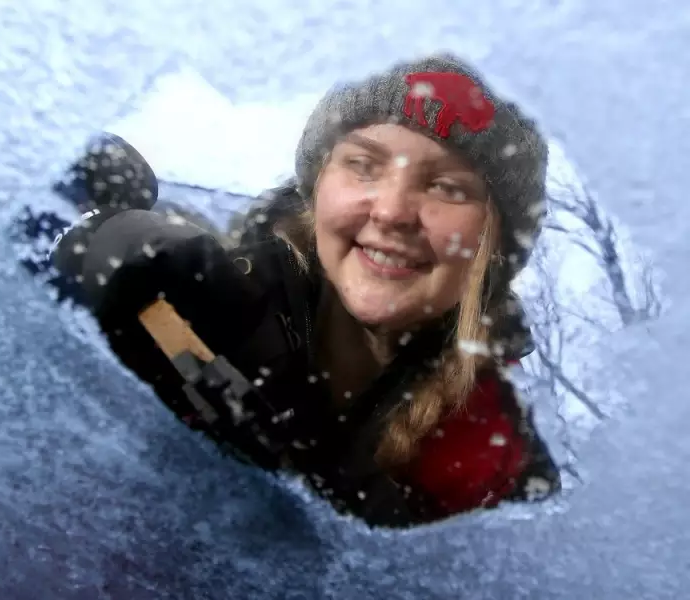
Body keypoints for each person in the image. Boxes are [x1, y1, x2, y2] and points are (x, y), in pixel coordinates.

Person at [50, 52, 561, 528]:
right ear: (316, 191)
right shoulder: (204, 296)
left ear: (495, 246)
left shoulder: (497, 459)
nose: (391, 211)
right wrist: (111, 246)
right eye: (363, 165)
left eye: (447, 187)